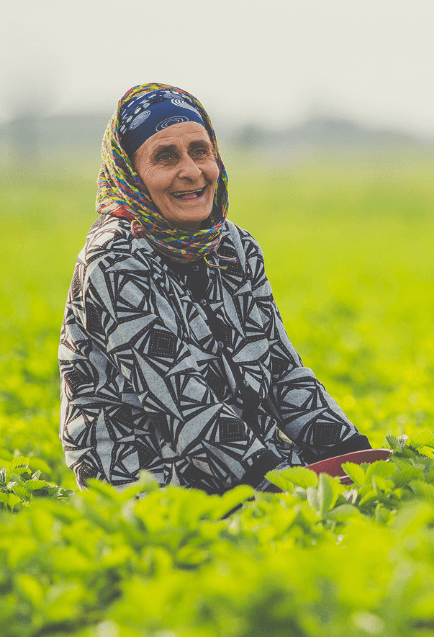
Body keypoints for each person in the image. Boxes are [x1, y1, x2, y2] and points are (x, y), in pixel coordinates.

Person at [60, 83, 370, 493]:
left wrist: (357, 458)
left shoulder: (234, 248)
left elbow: (282, 372)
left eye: (200, 151)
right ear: (130, 175)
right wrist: (286, 487)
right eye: (166, 157)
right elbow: (184, 407)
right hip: (144, 475)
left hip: (244, 455)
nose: (192, 171)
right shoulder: (114, 262)